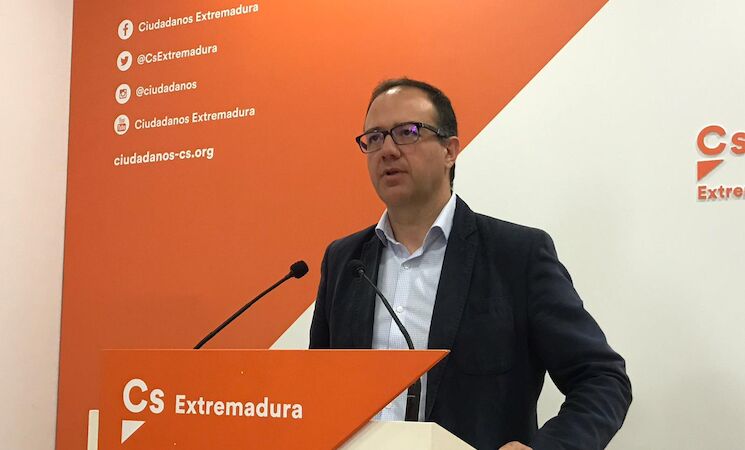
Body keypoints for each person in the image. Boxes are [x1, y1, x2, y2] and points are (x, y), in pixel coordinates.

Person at [309, 78, 631, 450]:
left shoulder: (517, 255)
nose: (388, 150)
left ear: (450, 150)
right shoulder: (345, 260)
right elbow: (318, 387)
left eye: (407, 132)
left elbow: (602, 379)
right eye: (375, 138)